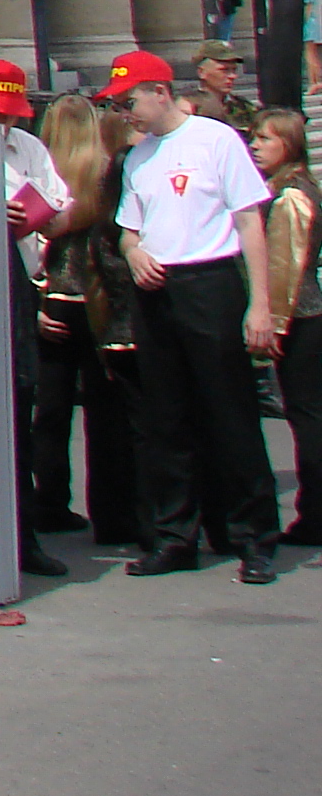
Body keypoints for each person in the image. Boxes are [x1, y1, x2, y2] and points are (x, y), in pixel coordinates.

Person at [114, 48, 281, 583]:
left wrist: (260, 302)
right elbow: (128, 228)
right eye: (119, 104)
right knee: (167, 419)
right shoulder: (138, 157)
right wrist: (134, 252)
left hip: (209, 279)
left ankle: (252, 535)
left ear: (161, 92)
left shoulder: (215, 140)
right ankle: (174, 535)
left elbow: (249, 221)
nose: (127, 112)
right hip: (158, 289)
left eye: (131, 100)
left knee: (229, 413)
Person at [0, 59, 71, 578]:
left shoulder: (28, 148)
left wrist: (42, 215)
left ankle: (22, 536)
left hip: (22, 283)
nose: (5, 124)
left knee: (21, 411)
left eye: (13, 114)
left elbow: (62, 204)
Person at [33, 89, 140, 547]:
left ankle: (51, 503)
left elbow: (34, 248)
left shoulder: (42, 175)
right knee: (106, 413)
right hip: (97, 302)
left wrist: (38, 304)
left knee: (52, 412)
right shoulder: (106, 173)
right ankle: (113, 515)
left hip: (53, 300)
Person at [250, 107, 321, 544]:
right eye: (255, 138)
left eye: (265, 139)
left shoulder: (293, 195)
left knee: (307, 416)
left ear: (289, 146)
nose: (255, 146)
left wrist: (274, 326)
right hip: (302, 313)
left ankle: (314, 514)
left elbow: (285, 266)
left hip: (300, 316)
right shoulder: (286, 188)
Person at [185, 38, 259, 134]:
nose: (233, 76)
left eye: (234, 70)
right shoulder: (187, 107)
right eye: (224, 70)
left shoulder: (244, 107)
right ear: (202, 72)